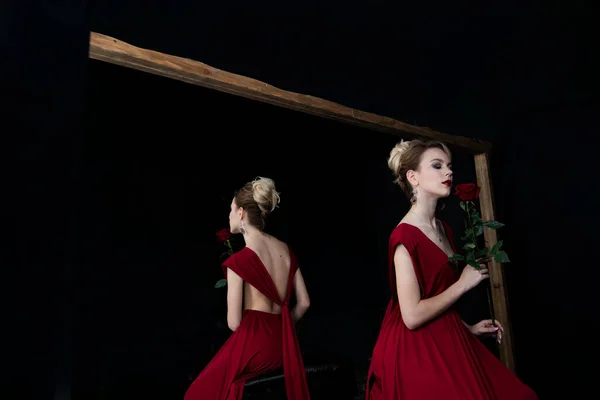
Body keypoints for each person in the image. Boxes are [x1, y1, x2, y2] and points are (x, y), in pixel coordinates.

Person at [365, 139, 537, 400]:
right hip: (414, 348)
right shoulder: (403, 237)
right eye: (437, 166)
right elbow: (411, 316)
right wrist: (463, 284)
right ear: (413, 177)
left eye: (449, 166)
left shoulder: (443, 228)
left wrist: (469, 328)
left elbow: (438, 296)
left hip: (446, 335)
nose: (448, 172)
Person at [184, 177, 312, 400]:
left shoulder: (239, 261)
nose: (229, 215)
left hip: (254, 344)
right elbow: (304, 303)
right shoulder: (286, 250)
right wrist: (283, 326)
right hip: (283, 345)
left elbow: (234, 323)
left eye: (231, 209)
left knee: (196, 394)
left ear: (241, 213)